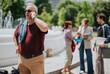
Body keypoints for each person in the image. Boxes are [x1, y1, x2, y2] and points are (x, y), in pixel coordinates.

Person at [13, 3, 48, 74]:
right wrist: (17, 46)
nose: (27, 12)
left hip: (36, 60)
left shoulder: (38, 24)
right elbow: (14, 35)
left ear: (35, 13)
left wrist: (34, 18)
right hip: (22, 60)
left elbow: (45, 27)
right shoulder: (22, 25)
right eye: (25, 11)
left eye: (29, 11)